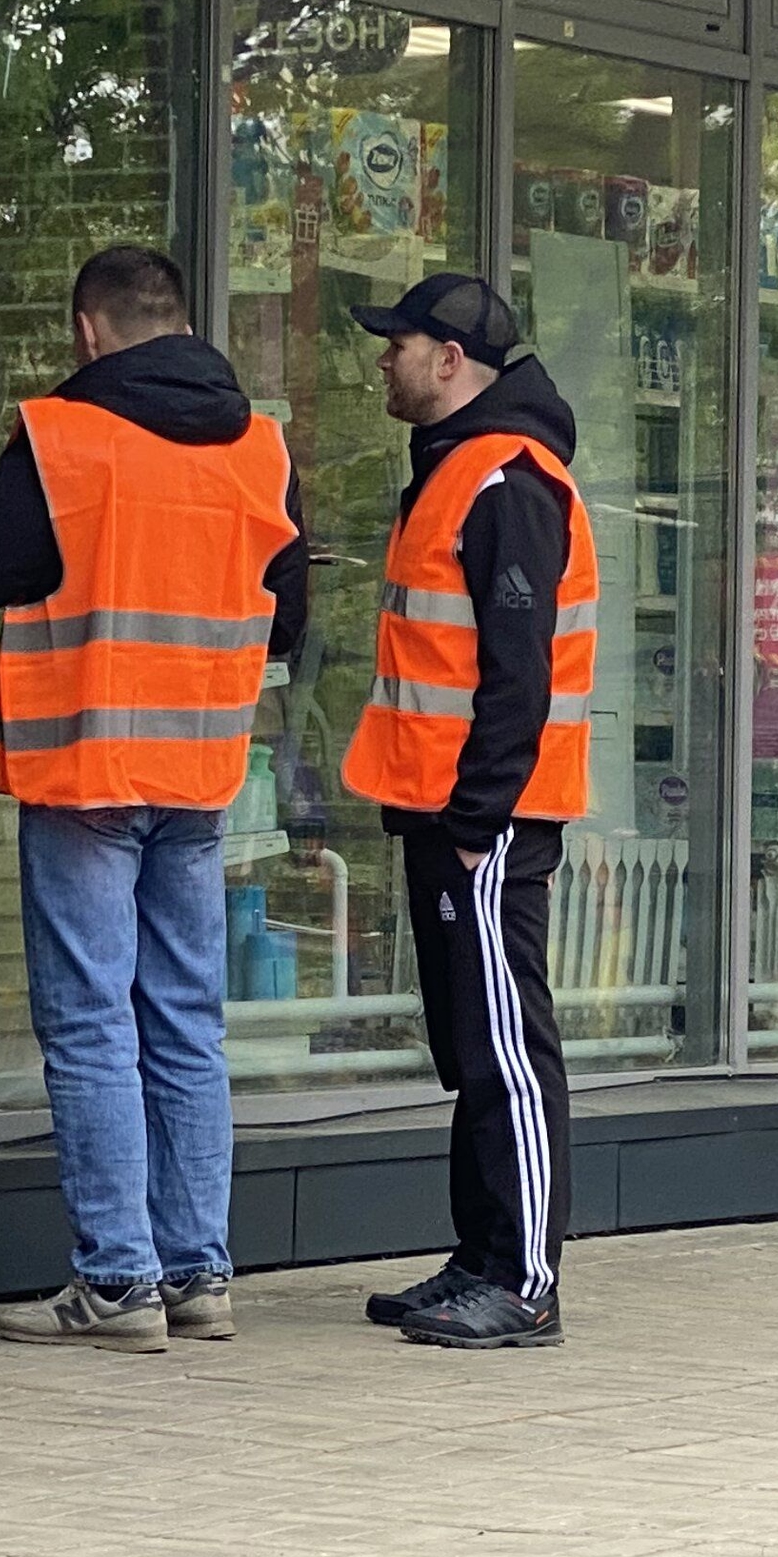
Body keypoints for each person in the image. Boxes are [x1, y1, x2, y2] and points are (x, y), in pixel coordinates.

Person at [0, 244, 309, 1352]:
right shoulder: (260, 449)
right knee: (187, 1021)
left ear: (88, 331)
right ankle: (201, 1276)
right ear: (182, 323)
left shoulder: (65, 438)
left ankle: (116, 1282)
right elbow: (285, 621)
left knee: (93, 1022)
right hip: (200, 771)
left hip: (85, 766)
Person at [341, 271, 597, 1349]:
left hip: (484, 819)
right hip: (446, 810)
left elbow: (516, 671)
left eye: (396, 344)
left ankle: (525, 1282)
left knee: (506, 1039)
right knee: (471, 1040)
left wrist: (477, 815)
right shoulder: (456, 471)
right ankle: (482, 1257)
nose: (382, 361)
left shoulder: (506, 480)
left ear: (451, 360)